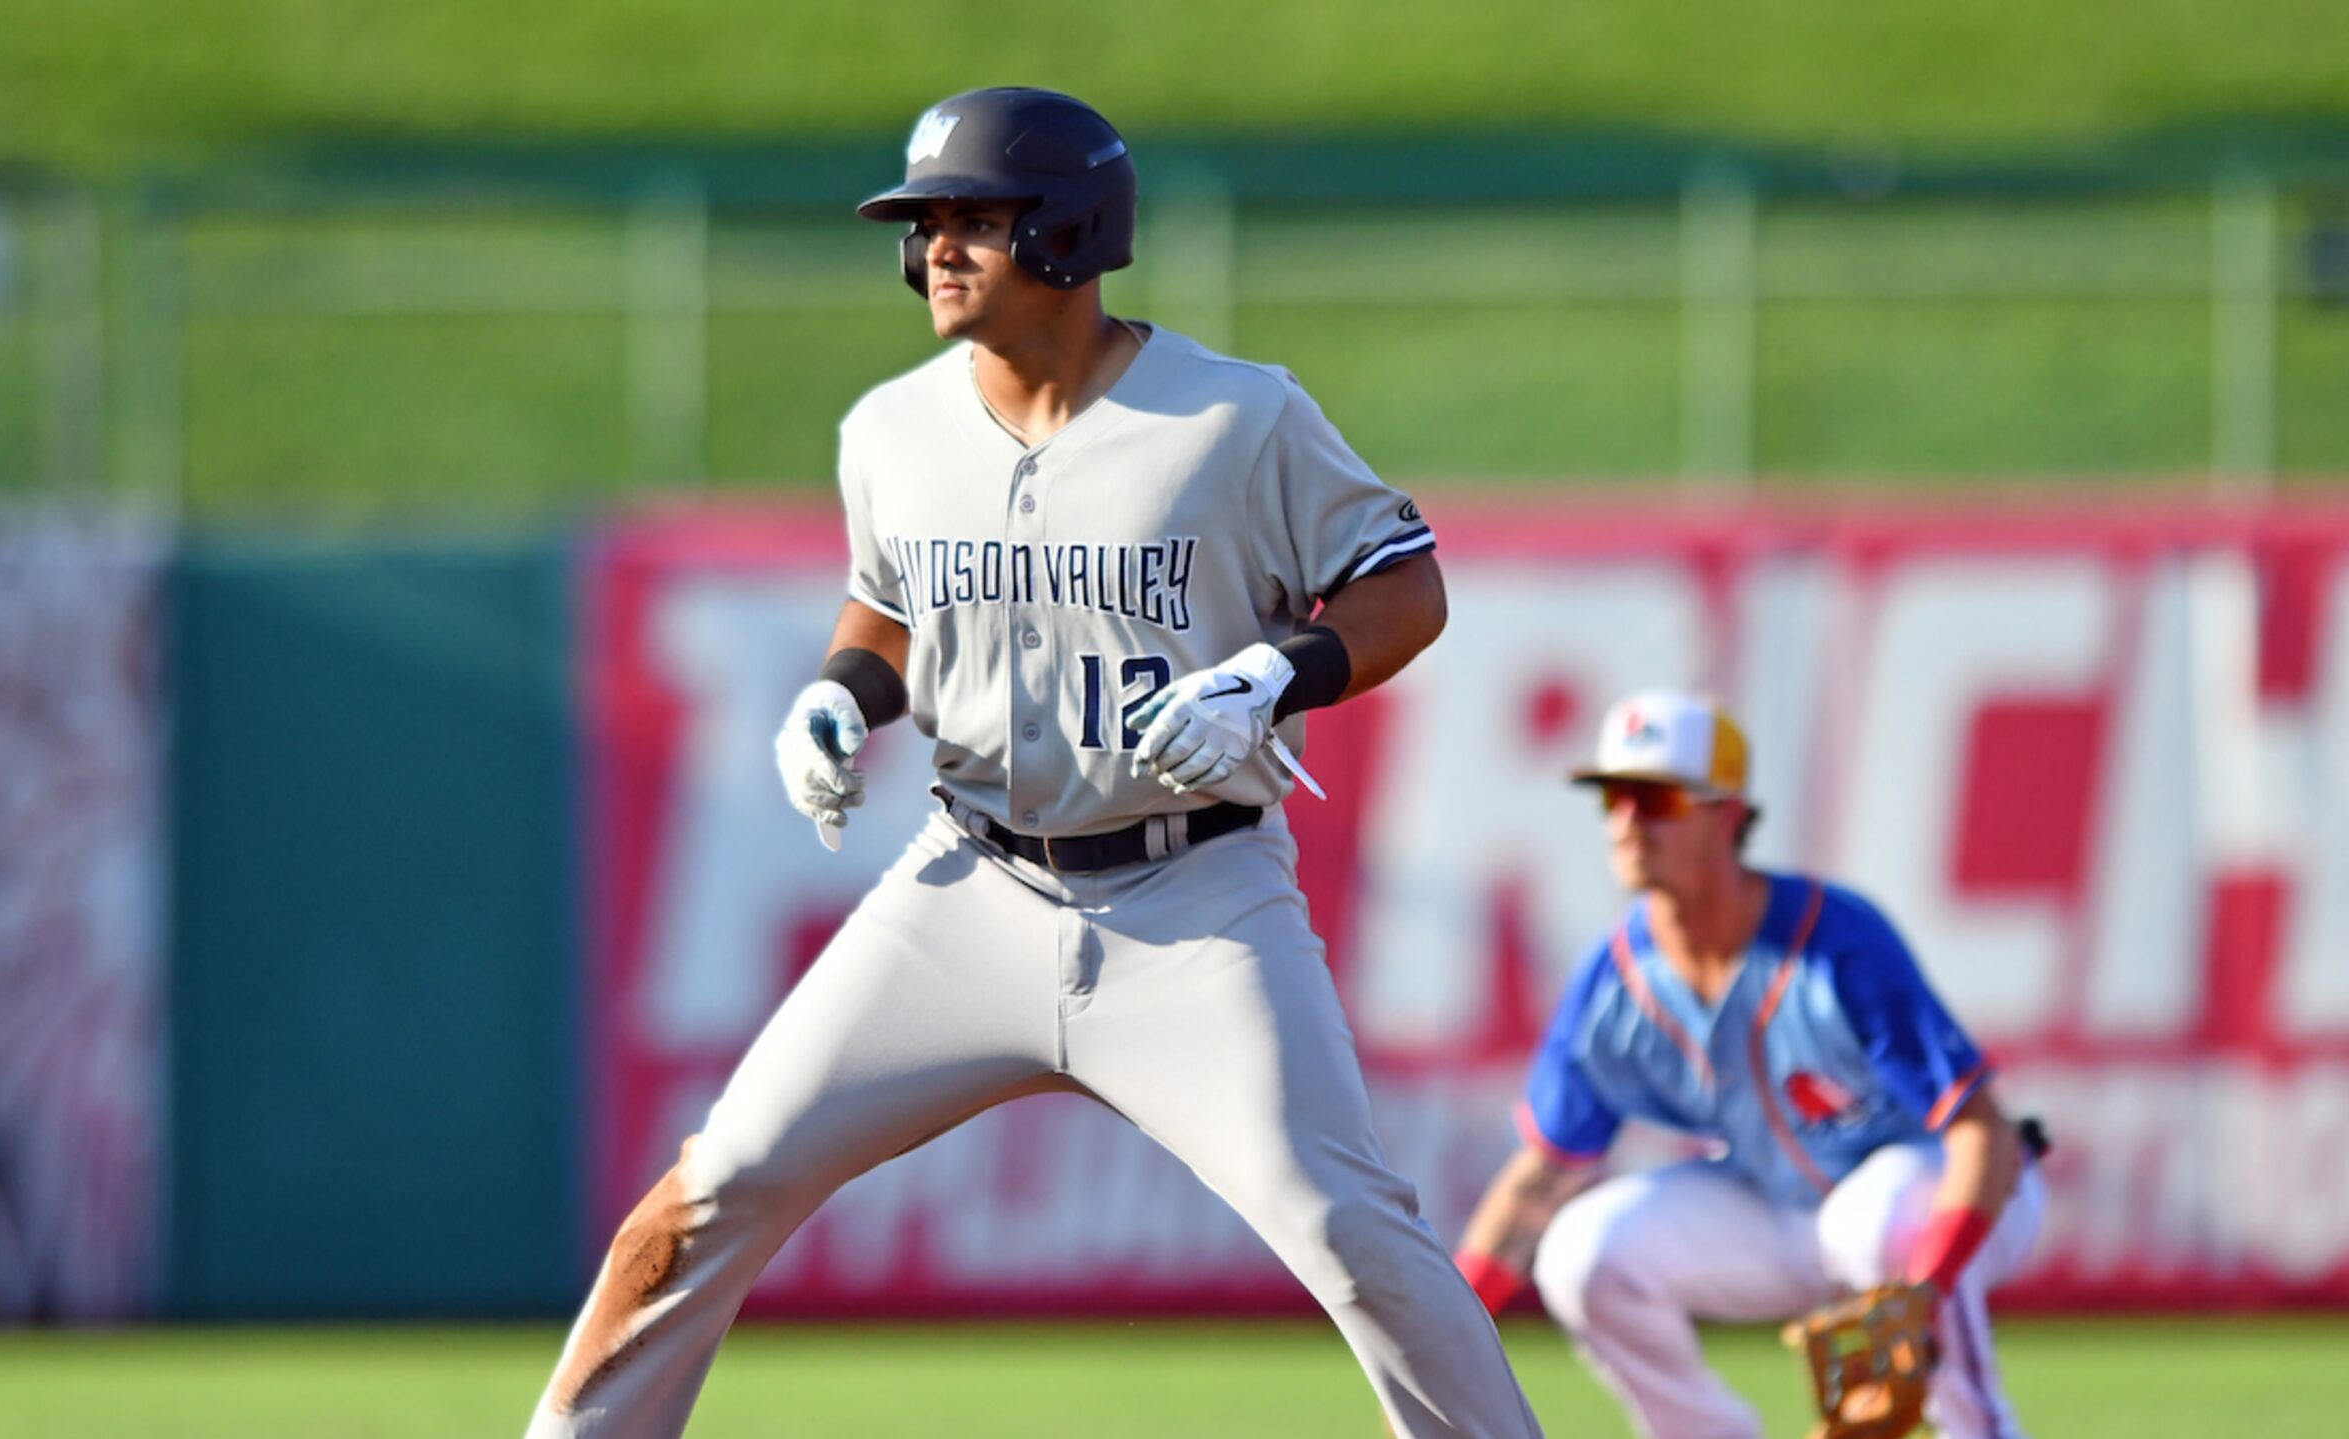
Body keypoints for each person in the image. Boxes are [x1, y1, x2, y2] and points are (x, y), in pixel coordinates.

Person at [525, 87, 1546, 1439]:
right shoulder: (891, 429)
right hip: (970, 883)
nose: (936, 248)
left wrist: (1270, 672)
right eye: (924, 222)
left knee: (1350, 1226)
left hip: (1196, 899)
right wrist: (838, 693)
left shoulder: (1234, 418)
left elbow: (1403, 586)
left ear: (1070, 228)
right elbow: (889, 606)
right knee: (714, 1187)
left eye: (971, 219)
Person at [1450, 689, 2047, 1439]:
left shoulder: (1836, 944)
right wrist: (1433, 1346)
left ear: (1727, 815)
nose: (1628, 820)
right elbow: (1539, 1180)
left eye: (1656, 796)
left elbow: (1982, 1132)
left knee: (1874, 1220)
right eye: (1612, 797)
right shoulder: (1613, 981)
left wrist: (1925, 1285)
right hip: (1781, 1211)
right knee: (1580, 1251)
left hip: (1950, 1200)